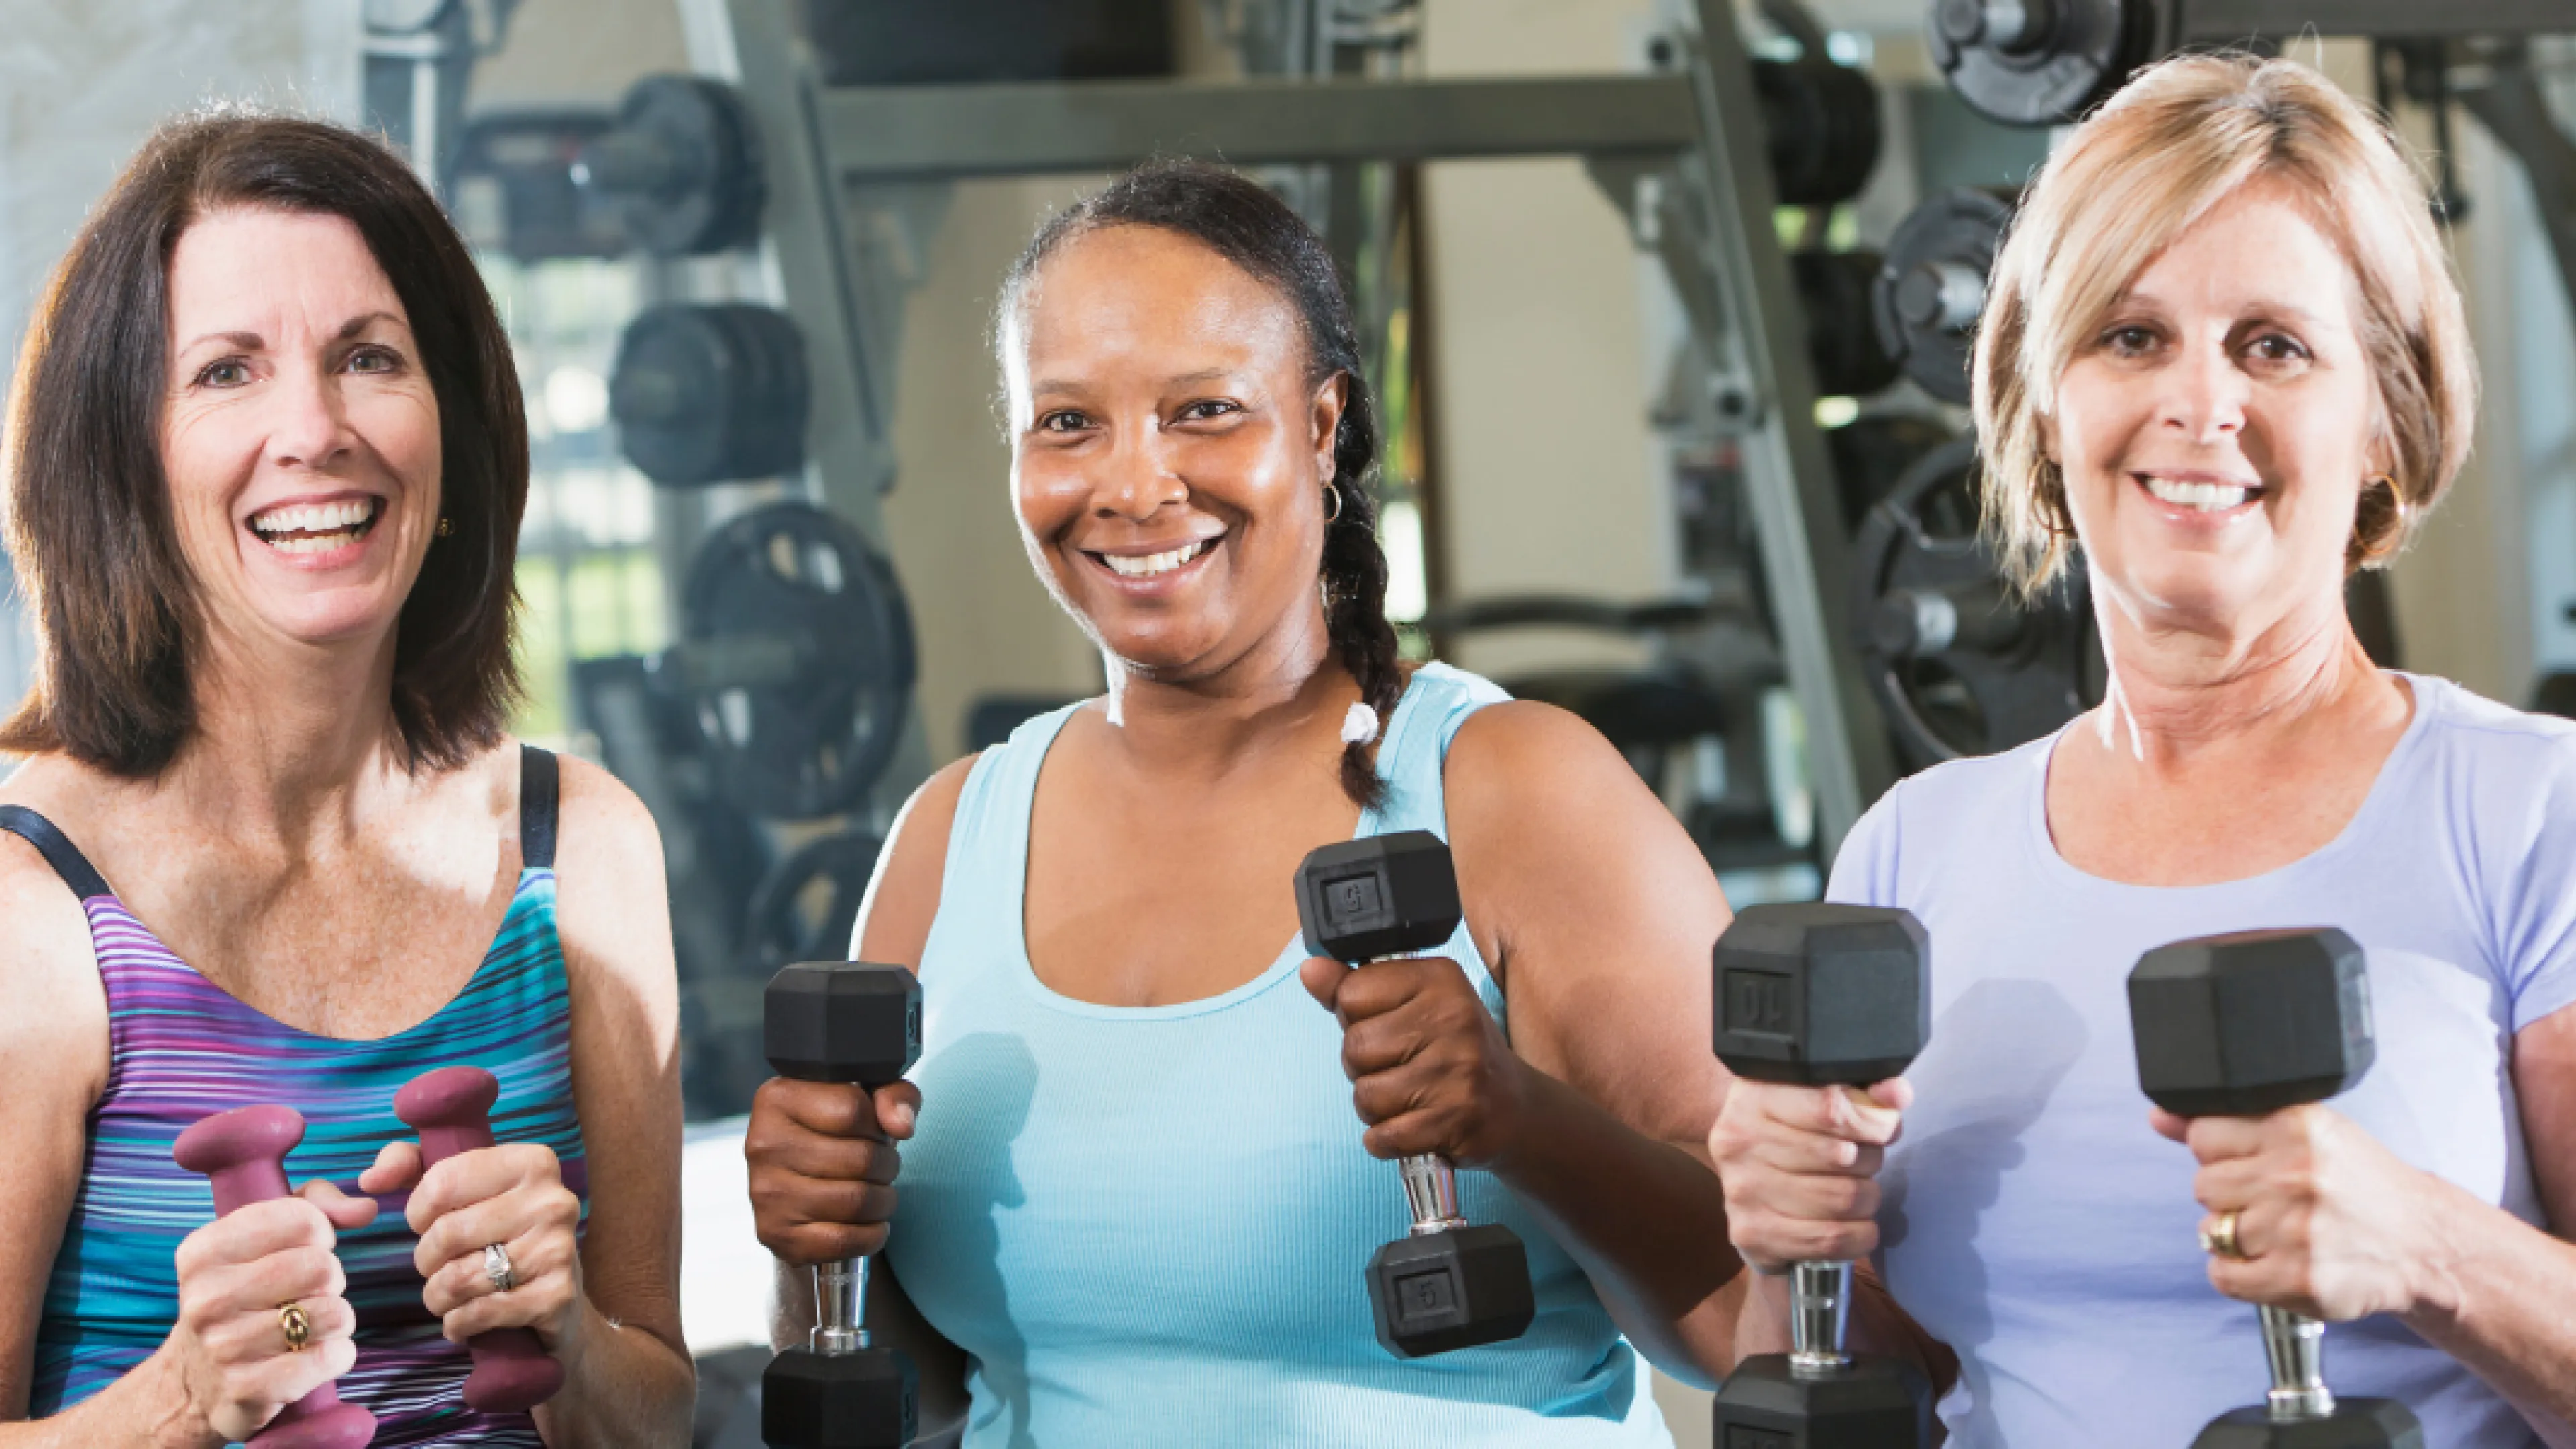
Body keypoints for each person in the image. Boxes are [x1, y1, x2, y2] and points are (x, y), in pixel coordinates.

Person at [743, 160, 1748, 1444]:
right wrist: (808, 1238)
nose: (1134, 484)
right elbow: (925, 1383)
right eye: (1067, 422)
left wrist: (1524, 1119)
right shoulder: (955, 833)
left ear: (1322, 427)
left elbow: (1758, 1317)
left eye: (1203, 410)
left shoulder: (1510, 785)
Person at [1707, 53, 2576, 1445]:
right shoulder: (1914, 849)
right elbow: (1864, 1380)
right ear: (2045, 407)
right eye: (2130, 336)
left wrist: (2428, 1246)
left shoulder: (2533, 812)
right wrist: (1781, 1242)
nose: (2199, 406)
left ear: (2383, 424)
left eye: (2274, 346)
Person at [0, 112, 691, 1448]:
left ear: (454, 428)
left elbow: (656, 1413)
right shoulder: (26, 904)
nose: (312, 431)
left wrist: (567, 1338)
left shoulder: (582, 847)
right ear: (123, 458)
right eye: (226, 374)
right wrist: (179, 1402)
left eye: (369, 357)